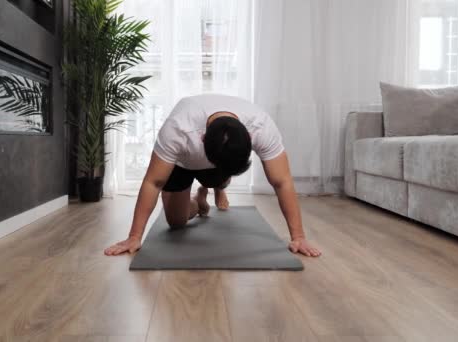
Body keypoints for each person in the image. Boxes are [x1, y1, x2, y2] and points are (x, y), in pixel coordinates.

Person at [104, 94, 321, 257]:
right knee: (176, 223)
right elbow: (154, 181)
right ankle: (200, 201)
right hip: (182, 161)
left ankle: (218, 186)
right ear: (201, 138)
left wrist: (298, 237)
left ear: (250, 136)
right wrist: (134, 237)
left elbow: (282, 181)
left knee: (222, 176)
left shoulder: (261, 126)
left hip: (219, 161)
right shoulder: (179, 130)